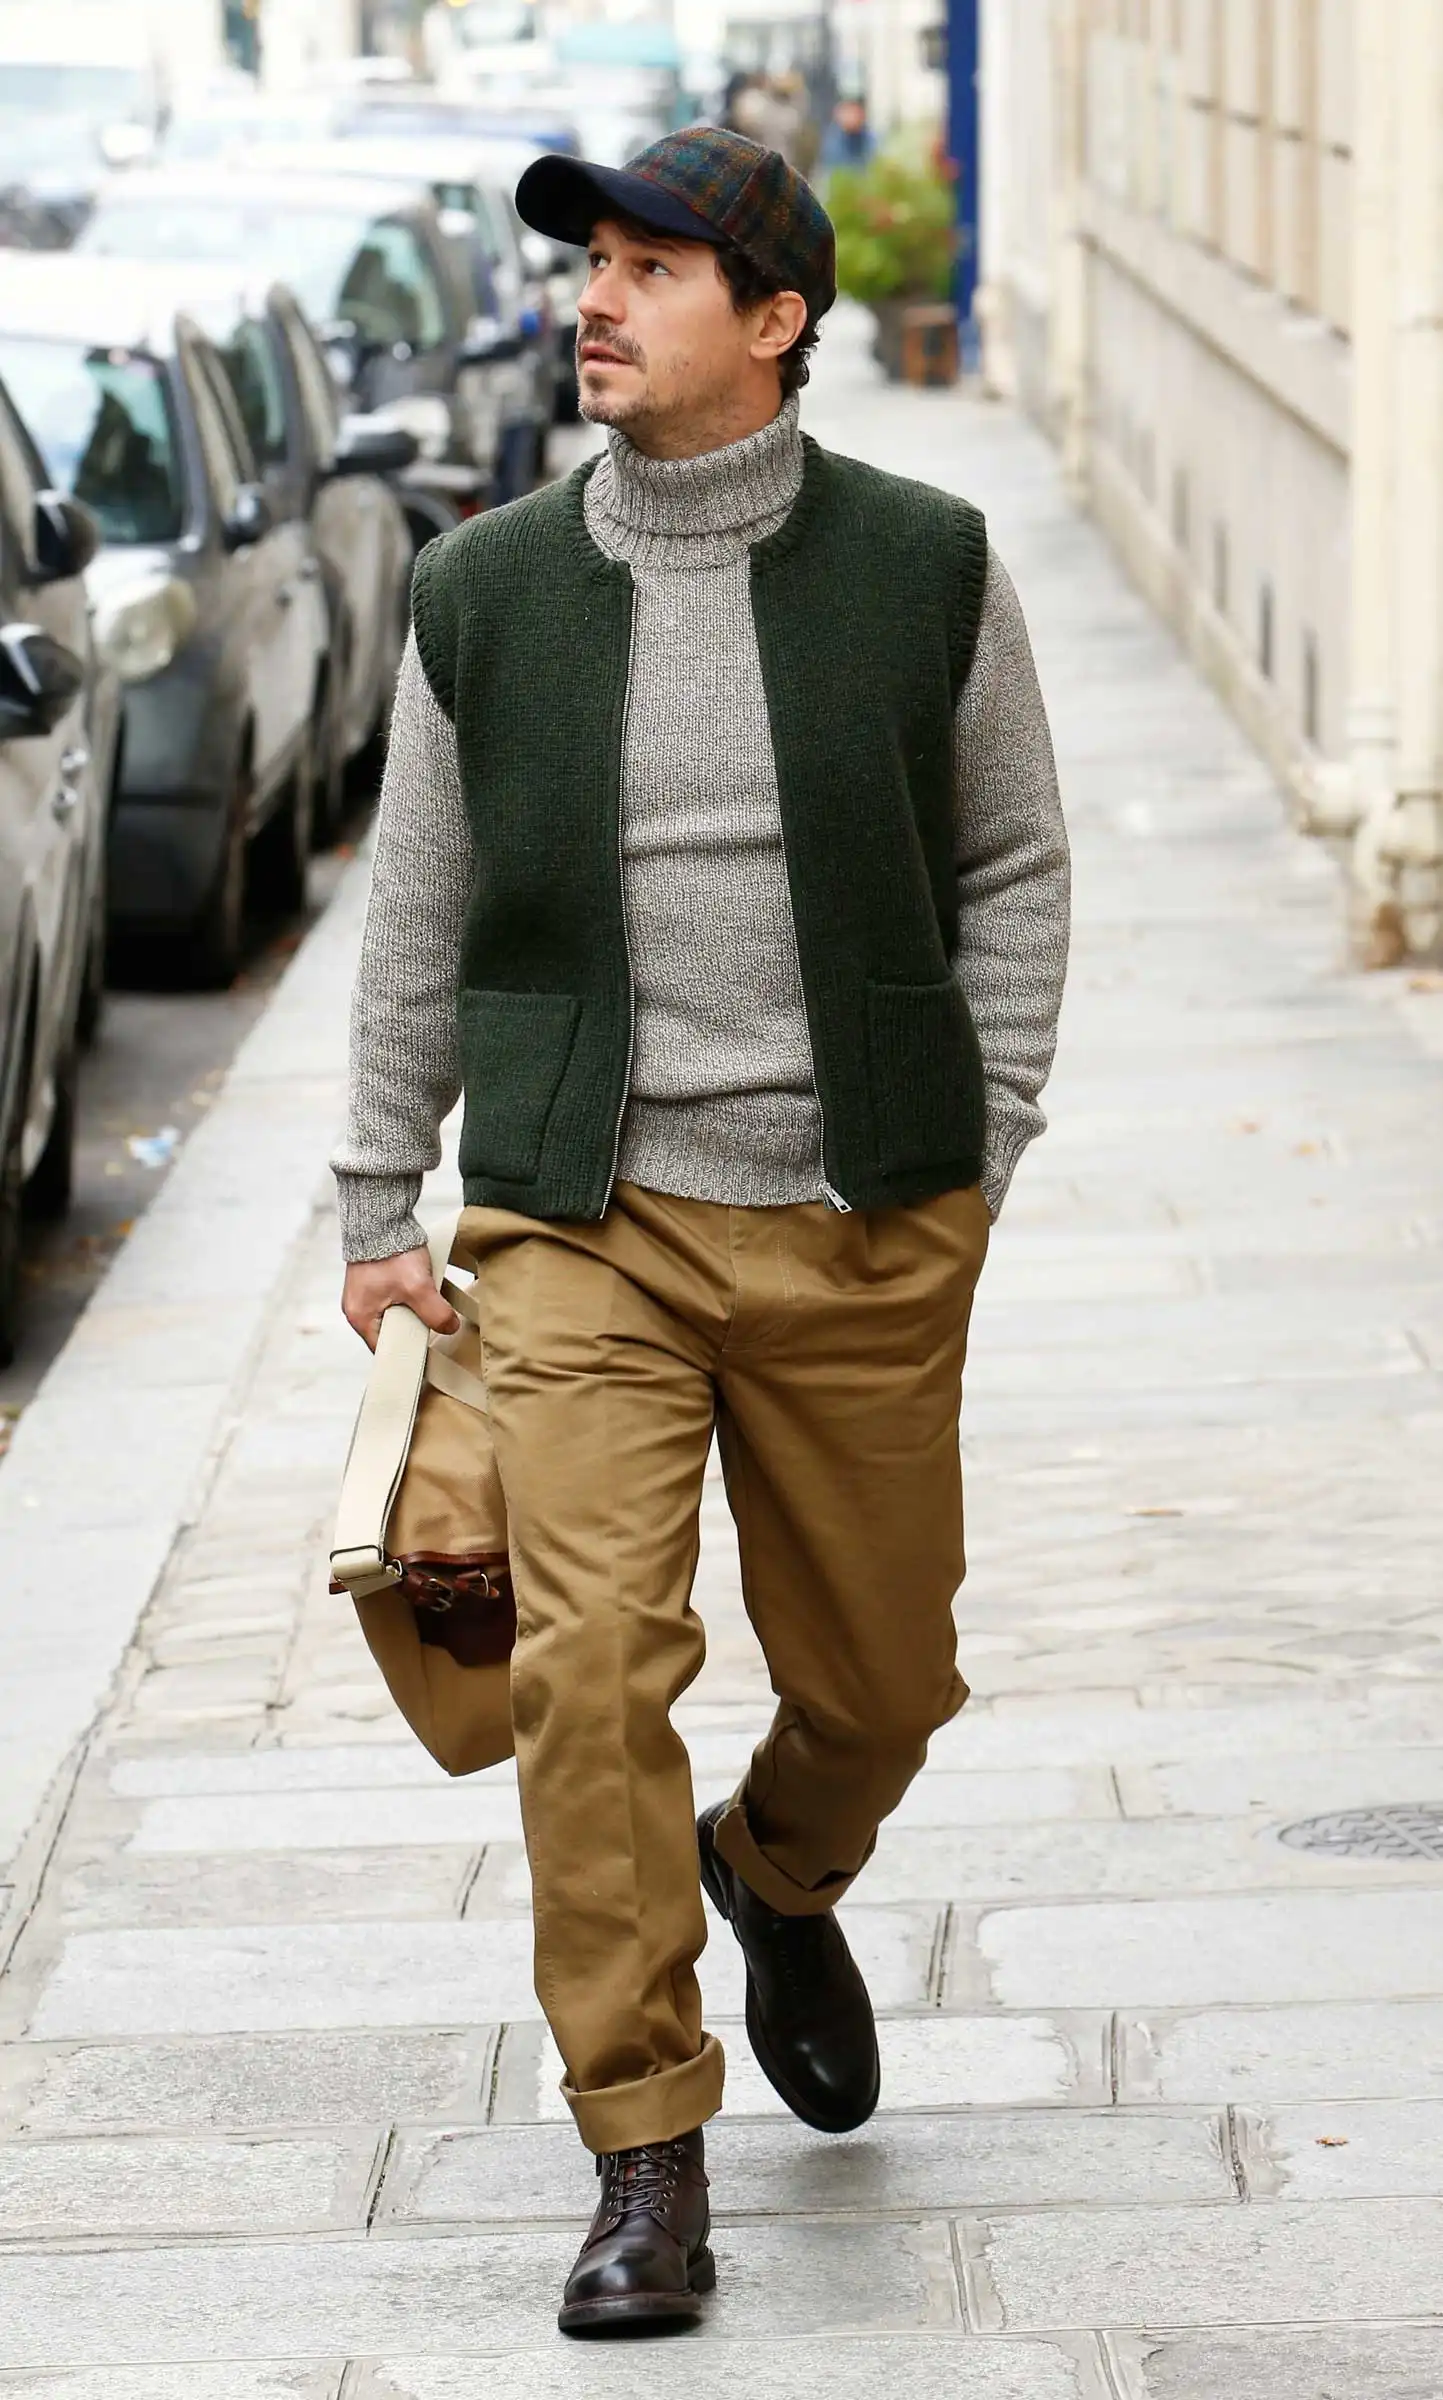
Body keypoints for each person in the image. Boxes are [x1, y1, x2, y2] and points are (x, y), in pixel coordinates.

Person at [333, 125, 1069, 2338]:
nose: (596, 298)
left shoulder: (926, 565)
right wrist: (377, 1194)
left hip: (860, 1214)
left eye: (653, 268)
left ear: (772, 321)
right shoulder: (483, 591)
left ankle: (777, 1867)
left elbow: (1013, 862)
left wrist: (979, 1142)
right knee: (584, 1670)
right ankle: (642, 2145)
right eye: (592, 263)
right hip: (588, 1220)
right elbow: (418, 908)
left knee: (884, 1683)